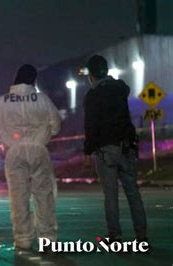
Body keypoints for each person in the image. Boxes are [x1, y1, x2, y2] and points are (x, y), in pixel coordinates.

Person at [0, 64, 61, 251]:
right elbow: (56, 124)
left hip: (14, 152)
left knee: (18, 197)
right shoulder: (43, 99)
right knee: (44, 196)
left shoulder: (2, 102)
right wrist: (44, 135)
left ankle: (23, 239)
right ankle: (48, 238)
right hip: (38, 150)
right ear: (33, 80)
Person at [83, 55, 147, 243]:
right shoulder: (121, 89)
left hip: (106, 150)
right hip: (126, 147)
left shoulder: (93, 96)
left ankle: (115, 234)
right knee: (133, 193)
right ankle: (141, 234)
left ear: (92, 75)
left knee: (110, 195)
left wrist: (88, 150)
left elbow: (91, 125)